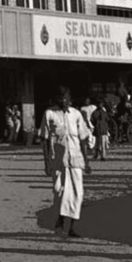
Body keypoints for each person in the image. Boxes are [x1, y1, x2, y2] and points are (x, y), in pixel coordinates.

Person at [41, 87, 91, 238]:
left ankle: (72, 228)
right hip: (58, 162)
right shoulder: (49, 114)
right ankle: (60, 222)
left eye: (67, 98)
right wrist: (47, 163)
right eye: (61, 98)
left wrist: (87, 161)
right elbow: (44, 139)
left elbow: (83, 139)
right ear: (57, 99)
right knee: (59, 193)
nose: (65, 101)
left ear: (70, 99)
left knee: (77, 194)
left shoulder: (76, 114)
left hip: (76, 161)